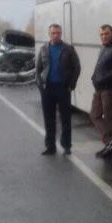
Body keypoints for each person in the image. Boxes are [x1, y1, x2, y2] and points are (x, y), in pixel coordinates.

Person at [35, 23, 81, 155]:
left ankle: (66, 145)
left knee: (65, 118)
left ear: (61, 34)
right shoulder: (44, 48)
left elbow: (77, 67)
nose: (56, 35)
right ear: (49, 34)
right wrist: (40, 84)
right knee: (49, 118)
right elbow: (38, 69)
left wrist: (71, 85)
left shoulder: (68, 49)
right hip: (47, 88)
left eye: (58, 33)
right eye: (53, 33)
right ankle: (50, 146)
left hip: (63, 88)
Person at [90, 24, 112, 158]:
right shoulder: (104, 47)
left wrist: (101, 79)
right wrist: (94, 77)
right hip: (99, 88)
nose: (103, 37)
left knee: (109, 118)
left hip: (109, 88)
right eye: (101, 35)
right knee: (94, 114)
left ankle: (110, 146)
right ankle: (109, 141)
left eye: (106, 34)